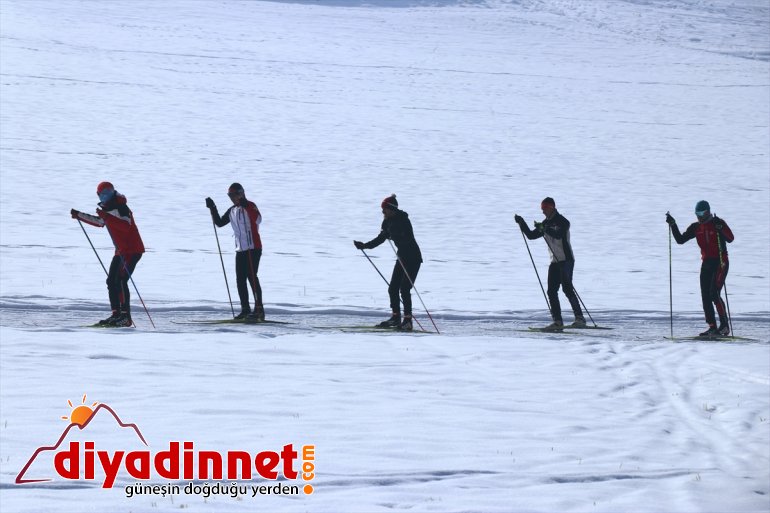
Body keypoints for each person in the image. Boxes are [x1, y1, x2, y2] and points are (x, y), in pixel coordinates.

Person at [71, 182, 145, 326]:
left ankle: (125, 317)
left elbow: (125, 226)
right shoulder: (108, 209)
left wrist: (106, 216)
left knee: (121, 280)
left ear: (113, 192)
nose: (106, 196)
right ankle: (116, 314)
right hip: (121, 251)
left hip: (132, 249)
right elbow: (100, 222)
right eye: (103, 194)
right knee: (111, 281)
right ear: (99, 196)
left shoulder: (121, 206)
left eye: (109, 192)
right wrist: (79, 215)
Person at [514, 197, 585, 330]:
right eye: (542, 209)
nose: (543, 212)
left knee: (567, 289)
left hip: (566, 260)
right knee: (551, 291)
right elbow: (531, 235)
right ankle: (557, 321)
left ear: (551, 207)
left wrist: (544, 228)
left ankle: (580, 318)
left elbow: (558, 234)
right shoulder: (545, 224)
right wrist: (522, 223)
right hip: (554, 261)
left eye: (544, 209)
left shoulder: (563, 221)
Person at [354, 194, 422, 331]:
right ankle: (396, 318)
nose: (382, 212)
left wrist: (394, 235)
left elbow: (407, 239)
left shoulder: (403, 220)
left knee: (404, 288)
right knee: (392, 288)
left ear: (392, 209)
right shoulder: (387, 222)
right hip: (402, 258)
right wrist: (364, 246)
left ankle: (407, 321)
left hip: (413, 258)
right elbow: (380, 239)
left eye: (384, 209)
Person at [666, 200, 734, 337]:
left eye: (701, 213)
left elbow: (730, 238)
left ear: (708, 212)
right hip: (707, 263)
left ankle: (724, 326)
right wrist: (673, 224)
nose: (698, 216)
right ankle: (712, 327)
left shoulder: (717, 223)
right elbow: (680, 240)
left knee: (714, 293)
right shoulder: (696, 227)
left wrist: (721, 228)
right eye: (696, 213)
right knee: (705, 296)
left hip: (721, 262)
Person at [205, 183, 264, 321]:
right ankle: (245, 309)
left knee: (251, 276)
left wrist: (246, 205)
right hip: (240, 249)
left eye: (233, 195)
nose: (232, 198)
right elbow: (219, 223)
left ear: (241, 193)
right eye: (229, 195)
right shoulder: (232, 210)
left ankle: (259, 309)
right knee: (240, 280)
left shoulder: (250, 205)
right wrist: (213, 208)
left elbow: (258, 219)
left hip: (253, 247)